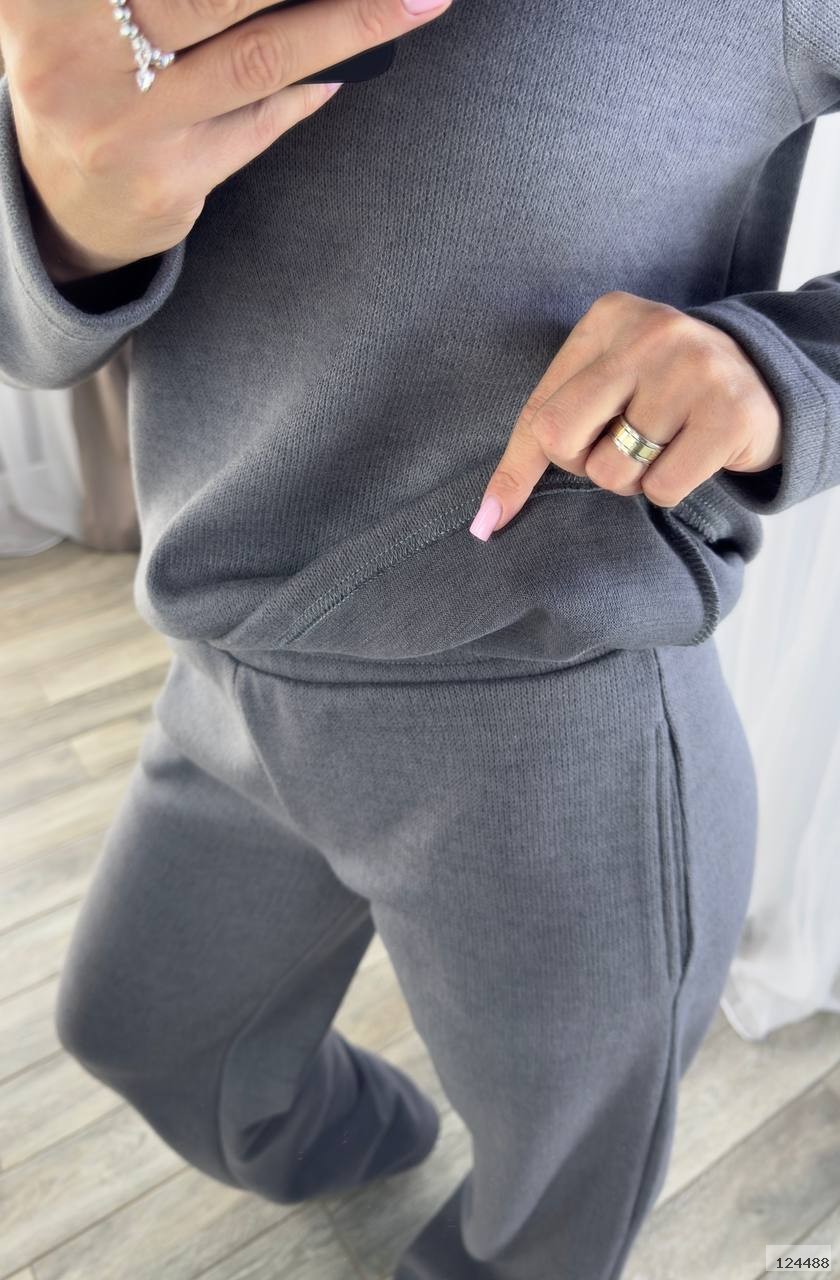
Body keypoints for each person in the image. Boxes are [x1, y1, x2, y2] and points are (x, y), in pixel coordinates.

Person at [1, 1, 838, 1276]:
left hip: (554, 726)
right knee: (137, 1032)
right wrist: (62, 209)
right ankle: (378, 1147)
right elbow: (32, 332)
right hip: (228, 662)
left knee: (545, 1216)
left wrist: (782, 373)